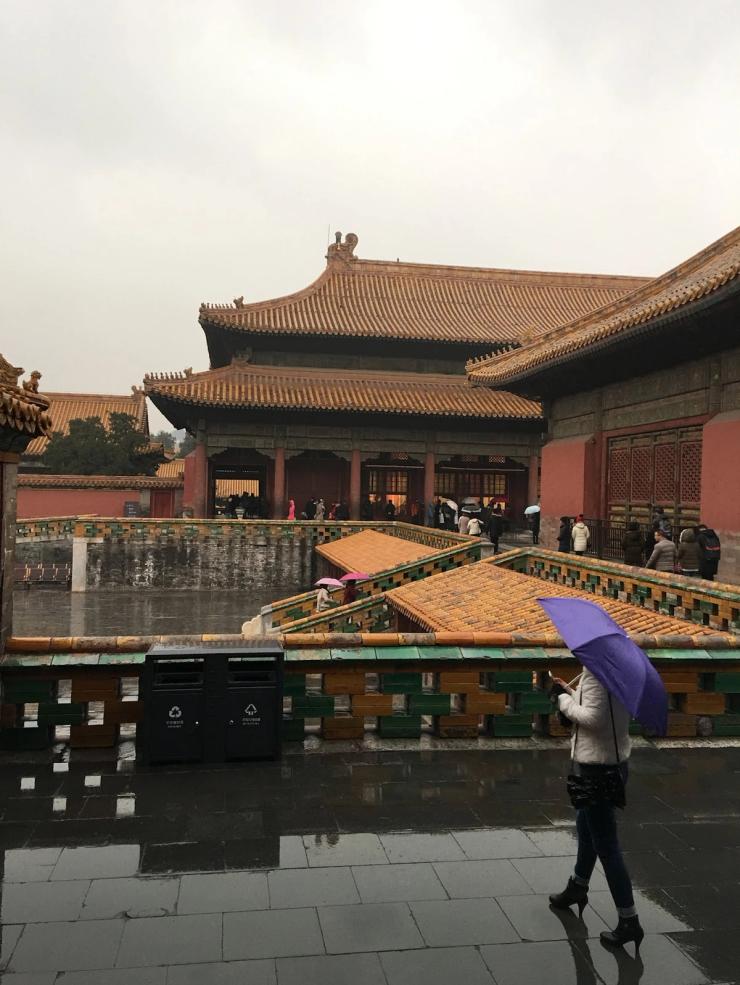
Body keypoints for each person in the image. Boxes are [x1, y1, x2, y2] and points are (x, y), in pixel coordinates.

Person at [549, 669, 643, 953]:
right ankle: (578, 885)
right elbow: (599, 706)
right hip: (614, 763)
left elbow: (594, 718)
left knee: (607, 846)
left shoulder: (598, 673)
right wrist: (569, 688)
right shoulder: (621, 673)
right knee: (585, 827)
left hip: (596, 769)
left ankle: (629, 920)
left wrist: (564, 701)